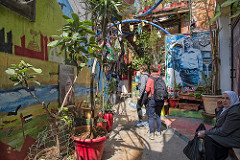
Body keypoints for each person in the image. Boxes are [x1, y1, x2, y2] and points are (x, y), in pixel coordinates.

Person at [197, 91, 240, 160]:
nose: (224, 101)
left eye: (227, 98)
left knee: (209, 138)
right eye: (223, 98)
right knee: (208, 137)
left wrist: (205, 132)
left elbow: (223, 131)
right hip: (228, 134)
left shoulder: (234, 112)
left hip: (234, 138)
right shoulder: (227, 108)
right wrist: (218, 109)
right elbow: (219, 123)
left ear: (233, 99)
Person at [145, 65, 166, 140]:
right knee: (158, 115)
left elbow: (147, 90)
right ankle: (158, 132)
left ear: (151, 70)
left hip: (152, 99)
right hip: (160, 99)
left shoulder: (150, 78)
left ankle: (151, 133)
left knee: (151, 116)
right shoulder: (162, 78)